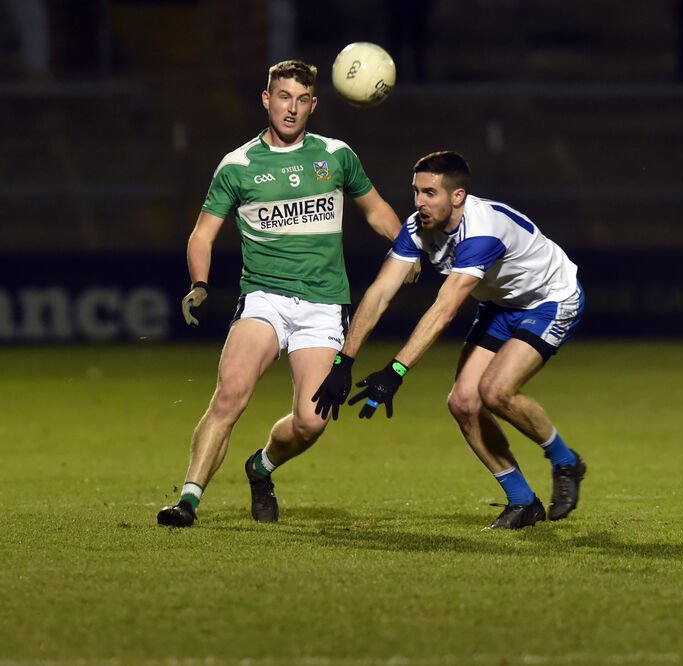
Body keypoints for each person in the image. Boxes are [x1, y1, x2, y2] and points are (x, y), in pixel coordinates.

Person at [157, 59, 410, 527]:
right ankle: (188, 500)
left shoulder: (336, 156)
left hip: (323, 305)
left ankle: (261, 467)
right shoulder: (238, 165)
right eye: (282, 97)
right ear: (266, 100)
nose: (290, 108)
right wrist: (199, 282)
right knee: (230, 395)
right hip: (264, 298)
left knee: (312, 421)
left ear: (313, 104)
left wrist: (406, 251)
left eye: (301, 100)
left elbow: (376, 212)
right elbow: (202, 234)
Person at [312, 151, 586, 530]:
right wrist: (345, 360)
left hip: (549, 299)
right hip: (500, 304)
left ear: (457, 196)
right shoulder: (416, 228)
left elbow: (444, 311)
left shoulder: (482, 231)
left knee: (495, 391)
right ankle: (523, 501)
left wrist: (395, 371)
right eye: (416, 192)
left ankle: (565, 460)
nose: (419, 203)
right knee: (462, 402)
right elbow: (380, 293)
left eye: (430, 193)